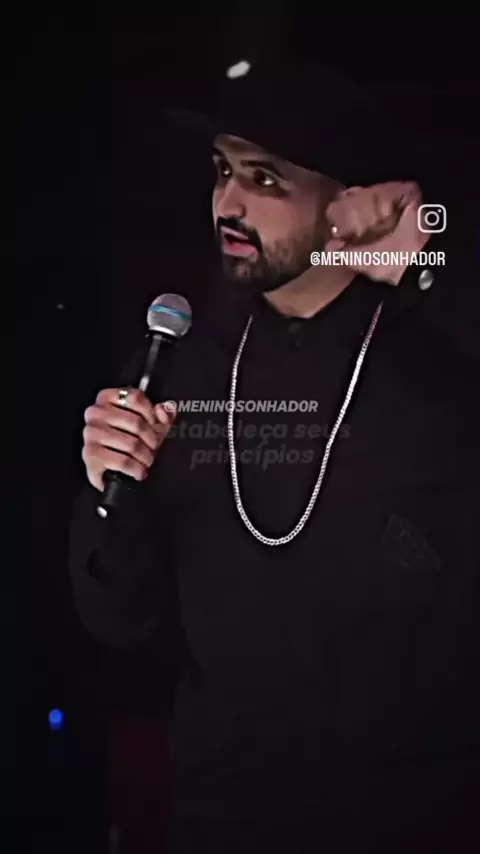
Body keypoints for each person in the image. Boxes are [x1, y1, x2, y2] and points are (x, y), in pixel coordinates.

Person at [69, 61, 480, 852]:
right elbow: (123, 626)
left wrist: (424, 265)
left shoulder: (439, 356)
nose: (228, 203)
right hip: (227, 817)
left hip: (426, 817)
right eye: (223, 171)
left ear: (345, 202)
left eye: (265, 180)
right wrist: (107, 499)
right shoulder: (180, 370)